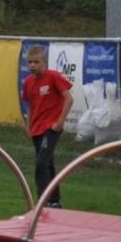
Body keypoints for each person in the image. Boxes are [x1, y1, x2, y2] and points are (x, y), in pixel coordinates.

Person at [21, 44, 74, 208]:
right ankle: (55, 200)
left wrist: (59, 122)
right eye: (29, 62)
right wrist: (28, 126)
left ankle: (43, 202)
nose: (32, 66)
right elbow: (30, 106)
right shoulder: (29, 82)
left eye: (36, 62)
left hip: (50, 128)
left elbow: (69, 98)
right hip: (36, 129)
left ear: (44, 62)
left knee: (41, 163)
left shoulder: (53, 77)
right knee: (48, 163)